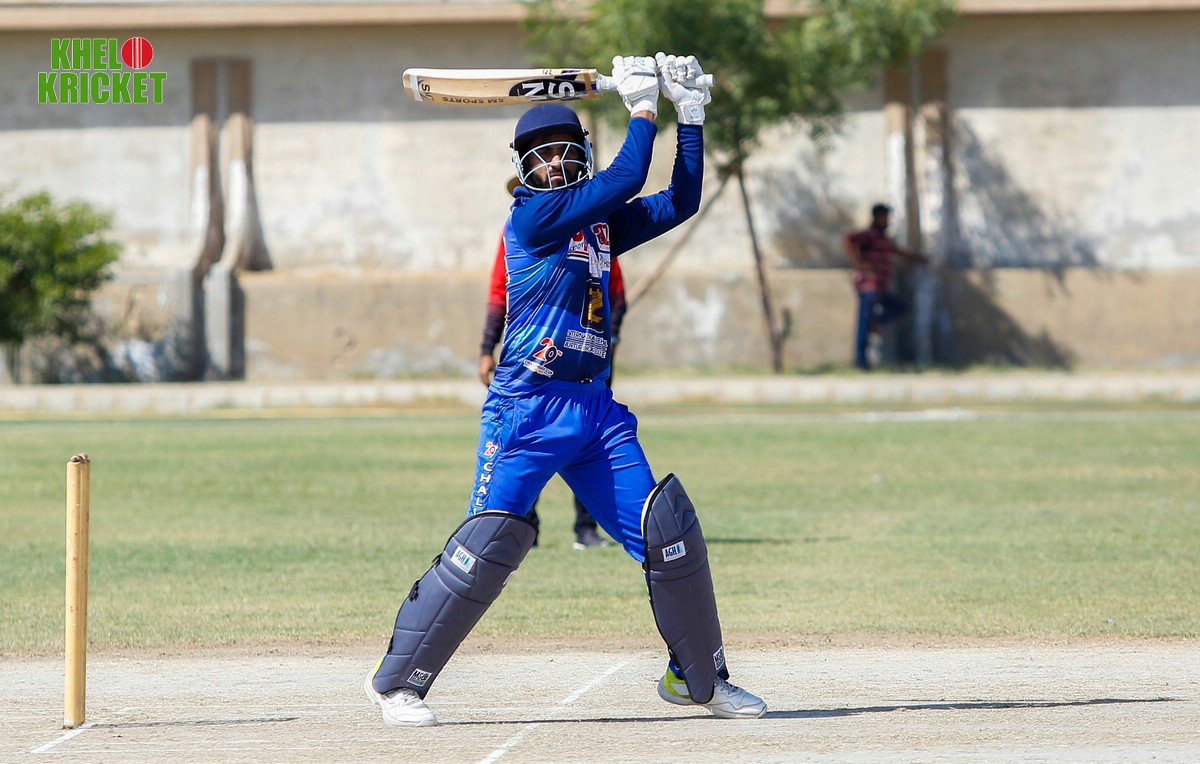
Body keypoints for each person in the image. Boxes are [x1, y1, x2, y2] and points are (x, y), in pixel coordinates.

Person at [365, 53, 767, 727]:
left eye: (564, 151)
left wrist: (691, 113)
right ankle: (398, 684)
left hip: (595, 413)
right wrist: (643, 106)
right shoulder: (533, 220)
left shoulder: (598, 225)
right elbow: (629, 175)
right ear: (524, 168)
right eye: (541, 155)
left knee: (667, 534)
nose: (554, 163)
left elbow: (681, 199)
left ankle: (698, 679)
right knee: (486, 548)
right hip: (525, 411)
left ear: (581, 154)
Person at [478, 191, 627, 550]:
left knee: (592, 442)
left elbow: (616, 291)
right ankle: (523, 526)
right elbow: (500, 291)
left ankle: (586, 528)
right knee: (527, 442)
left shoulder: (593, 232)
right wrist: (486, 349)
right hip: (534, 361)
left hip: (588, 362)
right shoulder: (521, 232)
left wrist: (606, 340)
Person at [842, 203, 928, 370]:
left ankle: (876, 322)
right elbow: (847, 239)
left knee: (900, 307)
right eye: (884, 217)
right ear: (877, 217)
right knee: (863, 324)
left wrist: (920, 259)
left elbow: (899, 252)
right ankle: (861, 363)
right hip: (868, 286)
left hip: (880, 287)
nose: (887, 220)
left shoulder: (884, 239)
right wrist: (858, 263)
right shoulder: (869, 235)